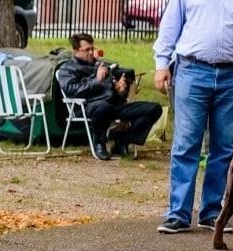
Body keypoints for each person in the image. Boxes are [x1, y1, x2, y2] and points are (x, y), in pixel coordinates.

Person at [153, 0, 233, 234]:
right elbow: (171, 22)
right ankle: (178, 213)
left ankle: (213, 211)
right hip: (192, 70)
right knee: (186, 143)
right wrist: (162, 63)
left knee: (224, 147)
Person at [56, 33, 163, 161]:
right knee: (103, 106)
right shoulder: (67, 69)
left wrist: (119, 89)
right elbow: (74, 91)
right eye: (86, 50)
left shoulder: (100, 66)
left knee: (154, 109)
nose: (91, 53)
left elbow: (112, 91)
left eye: (92, 49)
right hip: (88, 107)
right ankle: (100, 143)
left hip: (114, 105)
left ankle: (124, 140)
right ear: (76, 51)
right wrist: (97, 80)